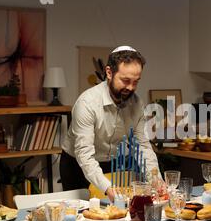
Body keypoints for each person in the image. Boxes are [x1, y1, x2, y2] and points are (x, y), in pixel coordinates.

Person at [60, 45, 161, 202]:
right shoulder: (87, 103)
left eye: (136, 82)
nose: (131, 87)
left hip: (111, 163)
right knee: (82, 216)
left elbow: (142, 145)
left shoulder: (137, 104)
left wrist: (156, 179)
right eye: (125, 80)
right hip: (77, 165)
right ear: (109, 72)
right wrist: (107, 188)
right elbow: (84, 155)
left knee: (115, 214)